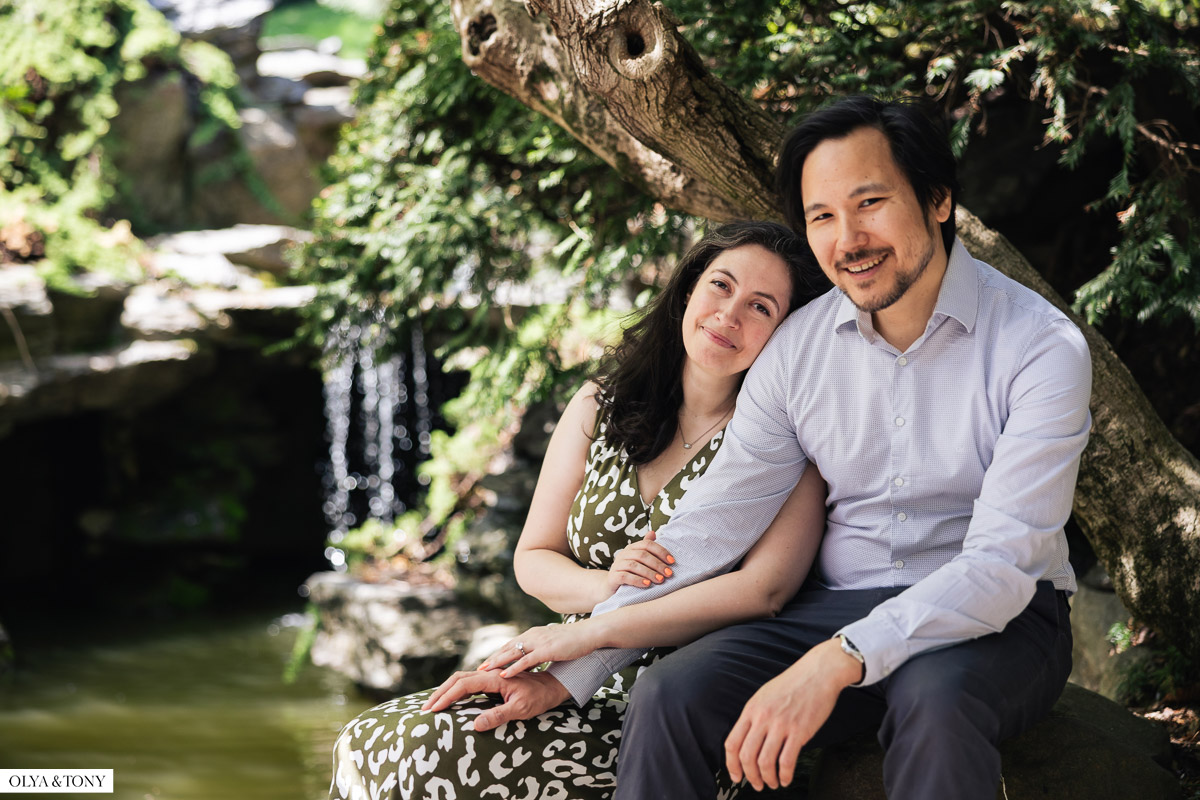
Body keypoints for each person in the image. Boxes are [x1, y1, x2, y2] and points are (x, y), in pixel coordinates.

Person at [433, 96, 1094, 799]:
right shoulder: (797, 349)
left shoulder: (1040, 347)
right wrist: (575, 660)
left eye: (870, 203)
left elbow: (1001, 565)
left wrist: (839, 658)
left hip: (1002, 616)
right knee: (671, 692)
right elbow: (714, 525)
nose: (849, 239)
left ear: (937, 200)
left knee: (934, 704)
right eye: (822, 216)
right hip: (840, 605)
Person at [329, 220, 828, 800]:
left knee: (423, 760)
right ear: (690, 288)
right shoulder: (602, 403)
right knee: (364, 739)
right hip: (570, 661)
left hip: (684, 697)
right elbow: (533, 558)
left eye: (761, 307)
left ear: (787, 332)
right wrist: (605, 586)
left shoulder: (782, 446)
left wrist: (606, 625)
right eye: (721, 285)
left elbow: (765, 591)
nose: (729, 315)